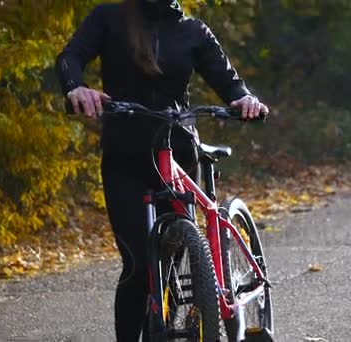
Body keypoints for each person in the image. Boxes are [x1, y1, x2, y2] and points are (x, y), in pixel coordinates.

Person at [55, 1, 268, 341]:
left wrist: (244, 99)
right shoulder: (109, 18)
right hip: (126, 158)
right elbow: (70, 57)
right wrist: (75, 87)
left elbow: (230, 83)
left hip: (179, 155)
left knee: (175, 260)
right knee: (140, 265)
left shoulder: (193, 30)